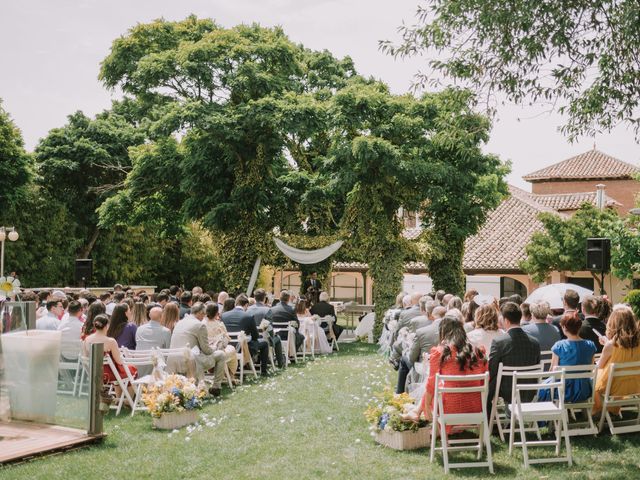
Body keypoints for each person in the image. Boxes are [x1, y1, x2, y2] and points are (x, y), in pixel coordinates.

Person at [405, 317, 488, 429]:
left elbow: (431, 384)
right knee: (439, 385)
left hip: (450, 409)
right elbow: (485, 379)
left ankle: (417, 412)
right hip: (476, 405)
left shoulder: (441, 352)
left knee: (436, 386)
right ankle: (416, 412)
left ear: (443, 333)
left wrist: (426, 406)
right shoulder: (478, 351)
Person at [488, 302, 541, 414]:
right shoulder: (535, 342)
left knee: (489, 379)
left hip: (507, 391)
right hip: (530, 389)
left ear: (506, 320)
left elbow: (491, 369)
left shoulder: (499, 342)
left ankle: (488, 416)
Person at [168, 302, 226, 394]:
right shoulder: (199, 325)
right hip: (191, 361)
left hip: (173, 360)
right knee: (221, 355)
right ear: (199, 313)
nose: (204, 317)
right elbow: (207, 350)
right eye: (203, 314)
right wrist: (215, 347)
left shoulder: (179, 323)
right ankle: (216, 386)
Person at [539, 312, 596, 403]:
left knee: (543, 388)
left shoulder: (559, 346)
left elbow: (552, 372)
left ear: (564, 327)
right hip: (584, 390)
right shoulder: (590, 345)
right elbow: (591, 367)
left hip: (563, 391)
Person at [593, 305, 640, 413]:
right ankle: (613, 410)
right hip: (636, 385)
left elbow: (600, 367)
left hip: (614, 387)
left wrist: (607, 345)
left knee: (594, 377)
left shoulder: (611, 346)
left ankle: (598, 412)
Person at [83, 314, 137, 396]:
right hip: (108, 374)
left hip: (94, 372)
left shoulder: (87, 339)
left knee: (121, 371)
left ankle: (119, 398)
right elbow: (118, 361)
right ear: (107, 326)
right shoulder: (110, 341)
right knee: (132, 370)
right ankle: (127, 399)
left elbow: (86, 356)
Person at [222, 295, 270, 376]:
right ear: (247, 305)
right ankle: (263, 371)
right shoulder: (248, 316)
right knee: (265, 343)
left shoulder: (224, 315)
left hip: (227, 346)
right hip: (242, 348)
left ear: (236, 303)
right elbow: (255, 336)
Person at [248, 289, 285, 368]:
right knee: (277, 338)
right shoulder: (267, 310)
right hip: (264, 339)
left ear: (254, 297)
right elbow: (269, 328)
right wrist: (272, 336)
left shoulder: (248, 309)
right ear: (264, 298)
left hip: (251, 339)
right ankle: (280, 363)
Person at [204, 303, 238, 377]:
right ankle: (231, 375)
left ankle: (224, 374)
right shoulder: (219, 324)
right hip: (217, 350)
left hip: (204, 351)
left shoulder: (202, 324)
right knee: (232, 349)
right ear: (217, 313)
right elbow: (227, 338)